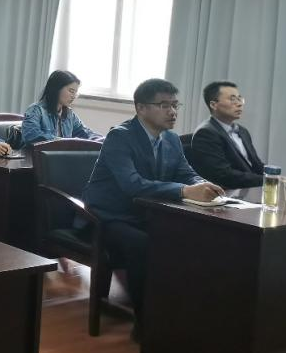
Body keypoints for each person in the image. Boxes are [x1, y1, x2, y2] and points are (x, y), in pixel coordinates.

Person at [82, 78, 222, 327]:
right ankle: (145, 322)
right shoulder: (120, 137)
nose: (173, 111)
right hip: (109, 215)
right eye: (164, 105)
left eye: (175, 105)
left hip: (146, 212)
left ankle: (179, 310)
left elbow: (186, 173)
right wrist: (185, 191)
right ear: (141, 108)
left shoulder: (172, 139)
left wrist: (203, 184)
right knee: (142, 244)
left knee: (192, 236)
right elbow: (132, 184)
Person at [190, 81, 265, 189]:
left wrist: (275, 176)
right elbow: (223, 175)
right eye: (232, 99)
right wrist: (266, 180)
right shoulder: (206, 133)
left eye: (240, 98)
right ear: (213, 105)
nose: (239, 104)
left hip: (246, 190)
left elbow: (256, 164)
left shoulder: (242, 131)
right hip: (223, 193)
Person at [22, 70, 103, 145]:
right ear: (57, 88)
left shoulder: (70, 115)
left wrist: (103, 140)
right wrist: (64, 142)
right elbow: (31, 136)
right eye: (71, 91)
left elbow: (86, 133)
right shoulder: (35, 110)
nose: (74, 96)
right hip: (38, 155)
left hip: (60, 155)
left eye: (75, 93)